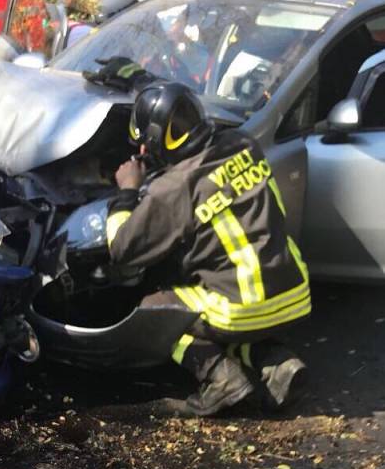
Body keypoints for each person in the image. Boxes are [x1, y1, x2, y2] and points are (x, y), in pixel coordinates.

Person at [105, 78, 310, 416]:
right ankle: (276, 363)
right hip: (293, 291)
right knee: (228, 303)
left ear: (156, 142)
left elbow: (123, 249)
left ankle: (221, 378)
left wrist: (127, 192)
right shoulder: (244, 144)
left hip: (245, 304)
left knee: (156, 310)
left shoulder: (175, 187)